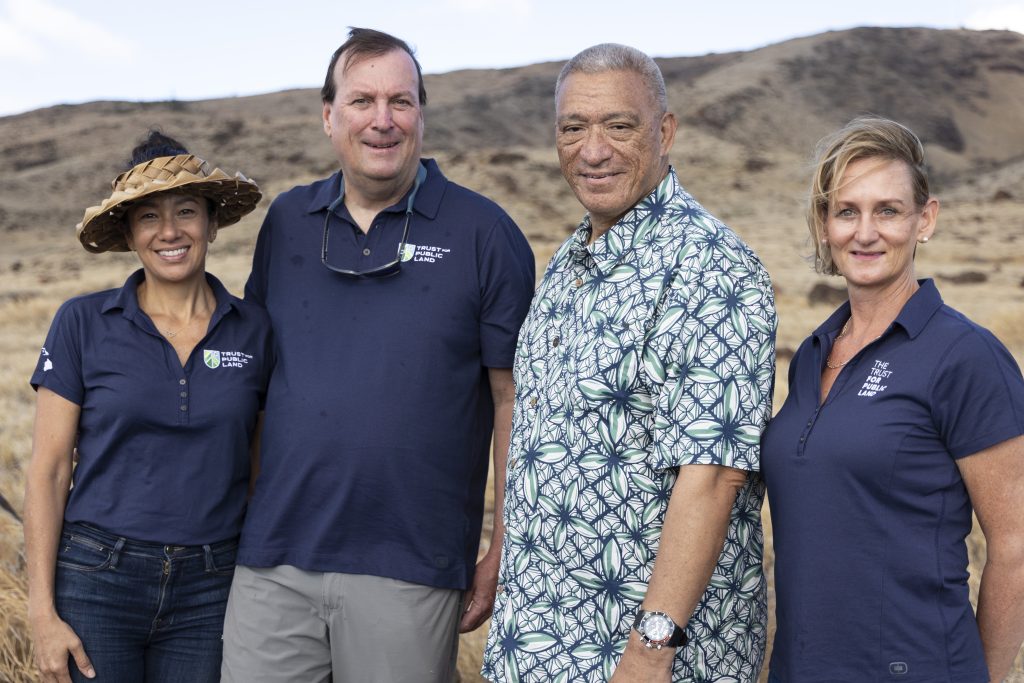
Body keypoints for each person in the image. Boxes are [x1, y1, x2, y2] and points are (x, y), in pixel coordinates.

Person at [219, 28, 535, 683]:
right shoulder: (287, 221)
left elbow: (513, 400)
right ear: (328, 115)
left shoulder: (485, 233)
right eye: (362, 101)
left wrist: (503, 545)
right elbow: (258, 385)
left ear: (422, 113)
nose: (383, 120)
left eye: (401, 101)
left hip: (411, 563)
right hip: (274, 557)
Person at [482, 43, 776, 682]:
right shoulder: (569, 262)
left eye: (619, 126)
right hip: (537, 643)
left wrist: (649, 652)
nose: (593, 150)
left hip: (641, 660)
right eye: (573, 128)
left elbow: (713, 478)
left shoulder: (710, 269)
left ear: (664, 132)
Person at [761, 116, 1024, 682]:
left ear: (924, 219)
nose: (865, 233)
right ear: (825, 225)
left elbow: (1015, 547)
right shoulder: (810, 356)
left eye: (888, 210)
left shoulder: (965, 356)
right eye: (846, 211)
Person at [24, 131, 269, 683]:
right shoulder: (82, 323)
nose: (169, 231)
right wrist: (41, 612)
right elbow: (48, 470)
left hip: (213, 584)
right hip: (97, 576)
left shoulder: (255, 329)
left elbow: (259, 469)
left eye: (186, 211)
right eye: (149, 217)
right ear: (131, 235)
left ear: (211, 223)